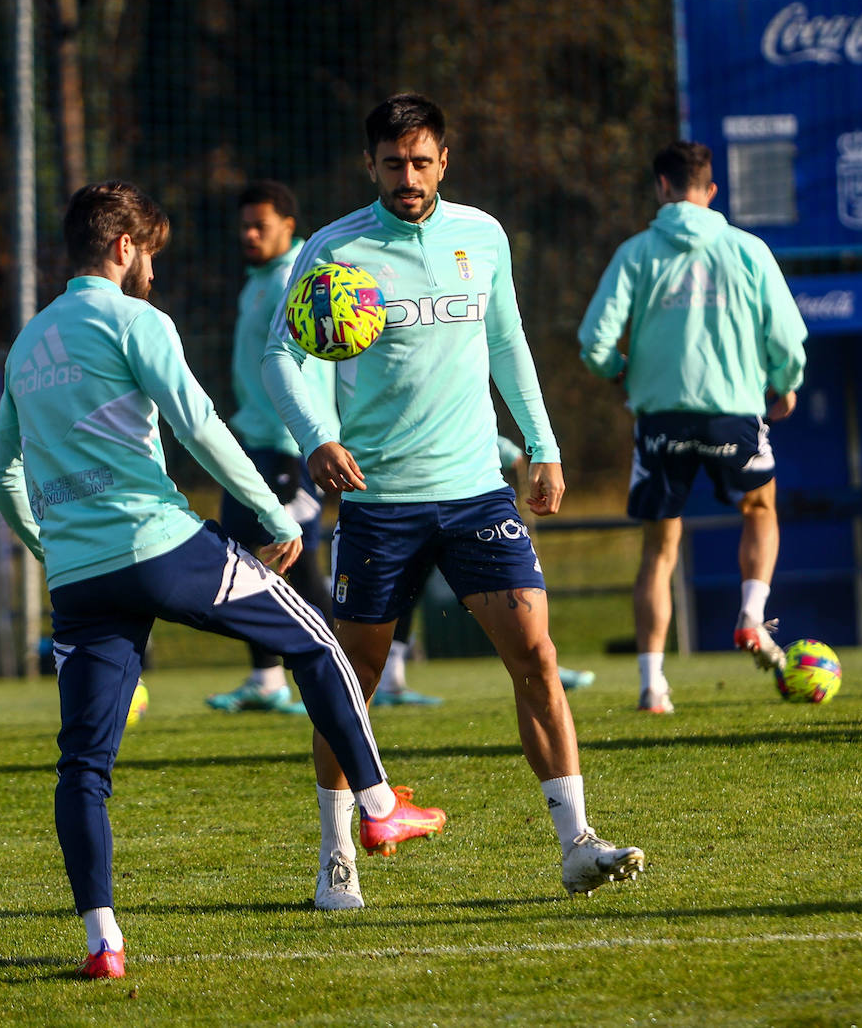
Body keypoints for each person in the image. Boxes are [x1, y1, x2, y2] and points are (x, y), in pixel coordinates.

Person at [0, 180, 439, 979]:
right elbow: (197, 424)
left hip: (80, 583)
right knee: (320, 644)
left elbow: (1, 476)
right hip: (159, 548)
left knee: (84, 767)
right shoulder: (136, 321)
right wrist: (272, 514)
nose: (154, 271)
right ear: (124, 247)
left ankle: (103, 943)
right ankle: (378, 807)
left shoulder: (27, 345)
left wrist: (51, 549)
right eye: (151, 254)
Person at [262, 93, 644, 903]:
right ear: (370, 165)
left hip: (477, 494)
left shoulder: (483, 236)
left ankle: (577, 843)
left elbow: (507, 341)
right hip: (380, 502)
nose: (408, 178)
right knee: (351, 680)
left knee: (536, 656)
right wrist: (317, 438)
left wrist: (542, 444)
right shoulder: (334, 250)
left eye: (421, 162)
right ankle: (337, 857)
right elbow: (281, 360)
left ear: (444, 161)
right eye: (392, 164)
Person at [577, 140, 807, 714]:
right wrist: (785, 383)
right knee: (759, 508)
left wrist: (619, 371)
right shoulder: (747, 249)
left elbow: (594, 341)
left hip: (661, 417)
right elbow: (786, 336)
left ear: (661, 186)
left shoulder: (636, 253)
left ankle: (653, 685)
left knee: (660, 548)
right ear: (711, 190)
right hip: (734, 410)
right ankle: (751, 615)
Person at [204, 180, 332, 715]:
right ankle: (266, 680)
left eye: (261, 226)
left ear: (289, 226)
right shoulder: (259, 279)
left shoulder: (297, 279)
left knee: (296, 562)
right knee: (244, 559)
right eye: (244, 226)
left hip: (287, 445)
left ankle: (347, 670)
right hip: (255, 442)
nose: (249, 235)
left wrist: (310, 436)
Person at [378, 434, 596, 697]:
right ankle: (388, 681)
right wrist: (502, 447)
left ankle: (541, 660)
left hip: (461, 495)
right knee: (404, 591)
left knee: (506, 589)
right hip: (413, 497)